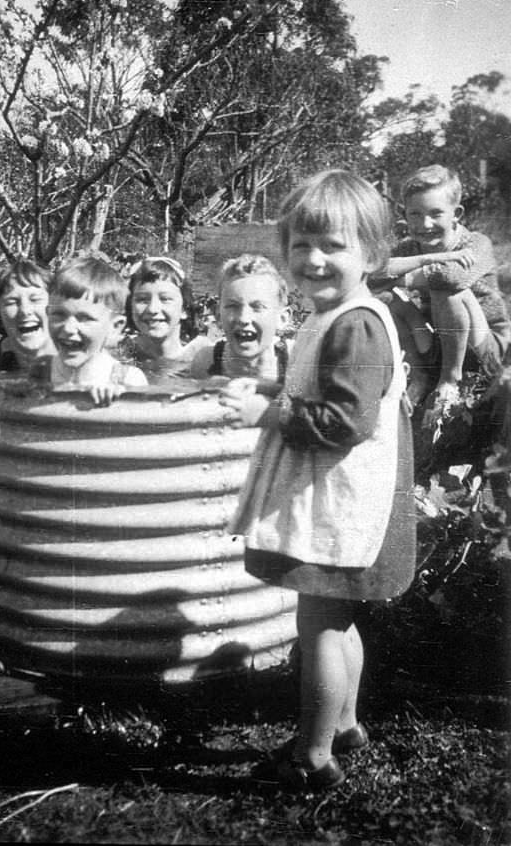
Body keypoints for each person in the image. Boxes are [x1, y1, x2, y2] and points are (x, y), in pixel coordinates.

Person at [220, 169, 416, 792]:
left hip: (346, 507)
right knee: (338, 620)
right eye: (302, 244)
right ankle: (347, 723)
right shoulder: (334, 316)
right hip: (348, 501)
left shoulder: (355, 324)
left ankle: (311, 756)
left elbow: (345, 420)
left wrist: (271, 413)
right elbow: (323, 392)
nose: (315, 258)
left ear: (372, 253)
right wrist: (276, 388)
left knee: (319, 627)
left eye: (334, 246)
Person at [371, 164, 511, 416]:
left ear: (456, 213)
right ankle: (420, 373)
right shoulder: (409, 247)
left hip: (486, 344)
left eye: (436, 213)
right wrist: (424, 260)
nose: (425, 224)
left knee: (445, 289)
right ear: (403, 213)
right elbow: (373, 275)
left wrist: (403, 278)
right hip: (440, 337)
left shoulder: (476, 243)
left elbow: (451, 278)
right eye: (415, 214)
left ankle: (450, 379)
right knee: (386, 298)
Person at [40, 255, 147, 404]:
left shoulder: (128, 379)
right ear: (47, 315)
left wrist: (121, 400)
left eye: (84, 318)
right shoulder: (41, 371)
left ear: (115, 327)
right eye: (59, 315)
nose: (68, 328)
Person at [189, 253, 291, 391]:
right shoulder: (206, 362)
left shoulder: (295, 360)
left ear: (282, 318)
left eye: (257, 307)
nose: (243, 318)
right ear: (218, 315)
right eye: (233, 306)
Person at [124, 256, 208, 382]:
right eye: (142, 299)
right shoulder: (122, 353)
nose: (153, 309)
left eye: (165, 299)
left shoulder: (204, 357)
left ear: (184, 308)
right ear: (130, 306)